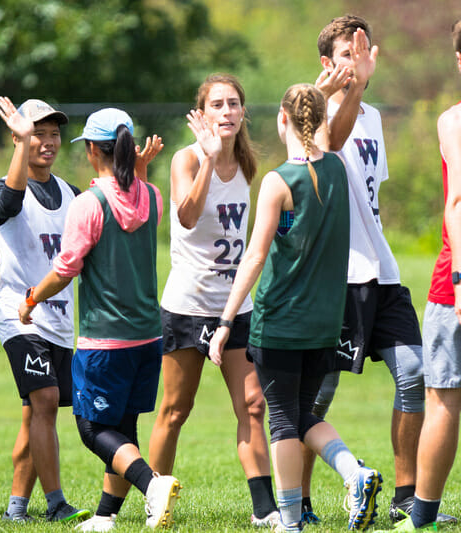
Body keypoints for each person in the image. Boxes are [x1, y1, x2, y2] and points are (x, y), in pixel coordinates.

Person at [298, 16, 456, 526]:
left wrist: (361, 88)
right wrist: (354, 84)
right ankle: (297, 499)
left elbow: (371, 195)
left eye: (363, 52)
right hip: (334, 277)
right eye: (347, 53)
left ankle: (406, 496)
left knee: (414, 373)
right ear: (327, 63)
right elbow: (329, 144)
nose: (357, 61)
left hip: (381, 271)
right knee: (316, 395)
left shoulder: (374, 117)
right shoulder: (305, 109)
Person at [210, 83, 382, 533]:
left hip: (280, 322)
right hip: (326, 323)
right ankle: (354, 473)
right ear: (321, 121)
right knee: (305, 415)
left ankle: (289, 523)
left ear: (282, 120)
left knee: (284, 420)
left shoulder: (278, 180)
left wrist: (226, 321)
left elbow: (254, 256)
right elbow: (320, 144)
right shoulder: (338, 172)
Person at [19, 108, 177, 532]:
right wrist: (140, 172)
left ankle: (152, 484)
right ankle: (105, 518)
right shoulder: (153, 196)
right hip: (148, 337)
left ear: (92, 150)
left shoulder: (88, 204)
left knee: (92, 429)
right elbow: (135, 197)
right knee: (123, 428)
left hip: (105, 341)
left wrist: (31, 298)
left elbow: (66, 268)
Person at [147, 74, 278, 527]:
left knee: (253, 405)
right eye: (217, 105)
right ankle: (156, 497)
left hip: (234, 308)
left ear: (243, 113)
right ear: (201, 114)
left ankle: (265, 509)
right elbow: (184, 216)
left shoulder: (247, 165)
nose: (226, 112)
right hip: (187, 305)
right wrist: (207, 158)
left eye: (234, 104)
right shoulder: (186, 158)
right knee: (175, 409)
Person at [372, 19, 461, 533]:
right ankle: (422, 515)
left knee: (443, 397)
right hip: (454, 280)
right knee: (443, 397)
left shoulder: (451, 120)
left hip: (453, 279)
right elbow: (456, 204)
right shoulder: (453, 121)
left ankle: (421, 517)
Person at [0, 97, 89, 523]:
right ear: (17, 136)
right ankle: (56, 503)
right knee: (45, 400)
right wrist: (20, 145)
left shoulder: (71, 193)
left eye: (52, 134)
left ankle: (15, 510)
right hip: (18, 313)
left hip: (60, 319)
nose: (47, 142)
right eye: (36, 134)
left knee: (35, 413)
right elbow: (5, 205)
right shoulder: (0, 187)